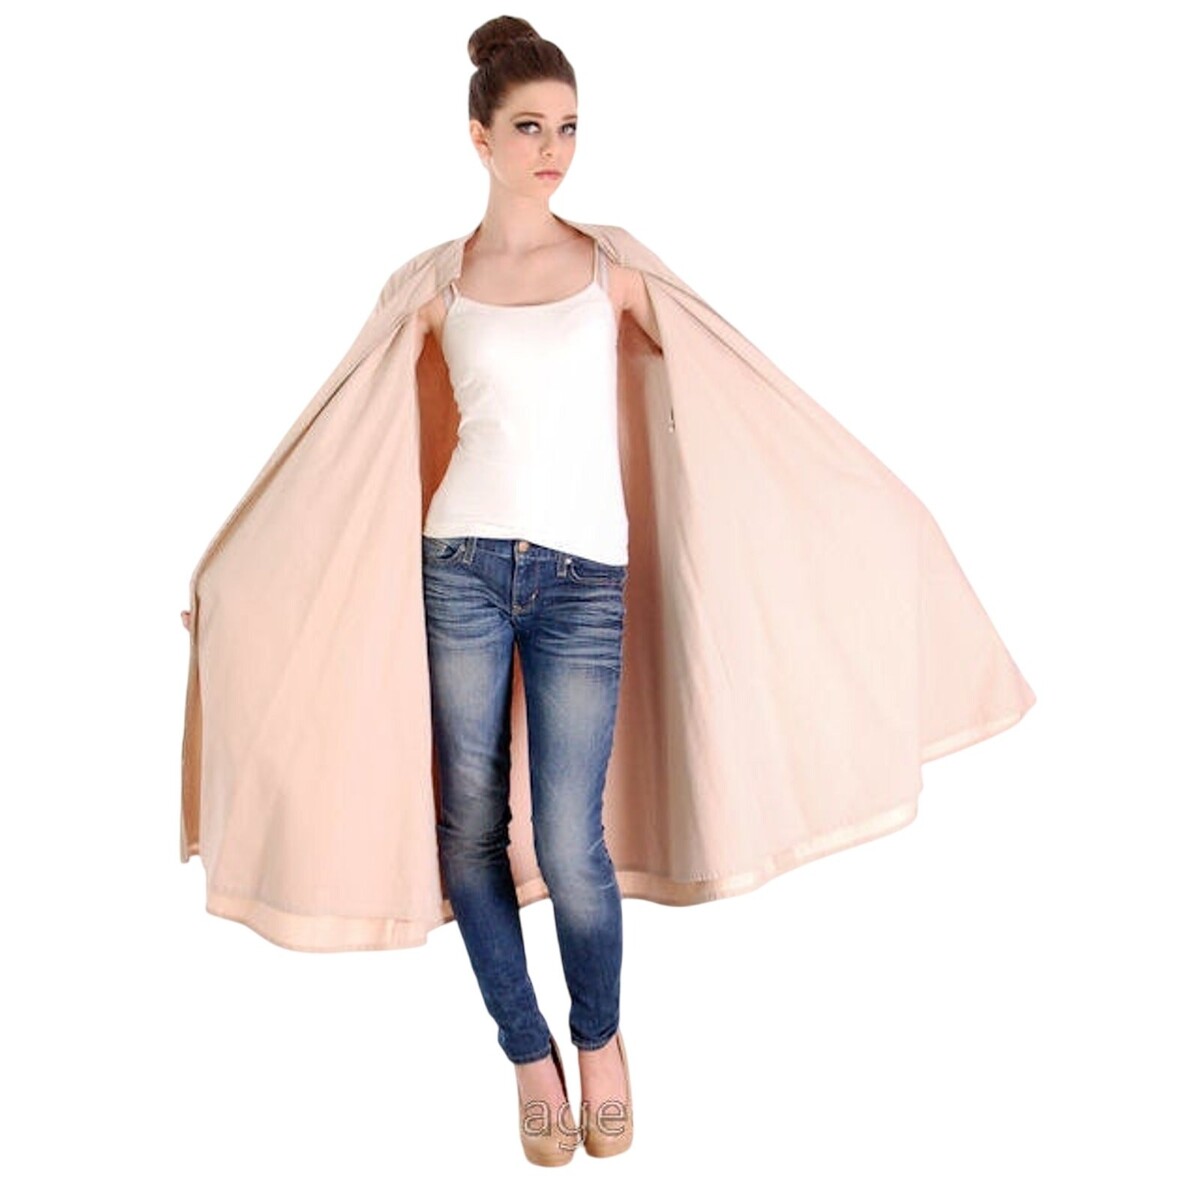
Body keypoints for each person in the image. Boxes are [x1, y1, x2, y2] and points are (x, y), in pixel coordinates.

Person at [416, 16, 652, 1166]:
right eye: (528, 129)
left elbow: (724, 387)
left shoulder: (613, 268)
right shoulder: (437, 282)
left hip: (583, 580)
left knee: (570, 841)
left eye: (567, 128)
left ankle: (598, 1037)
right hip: (460, 566)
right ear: (480, 138)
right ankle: (528, 1053)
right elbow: (338, 444)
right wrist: (251, 579)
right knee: (470, 828)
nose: (553, 150)